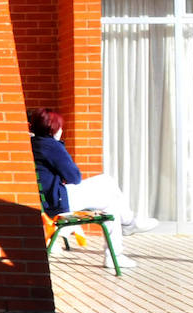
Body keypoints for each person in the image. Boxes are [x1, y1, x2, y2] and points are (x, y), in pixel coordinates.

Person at [28, 108, 157, 270]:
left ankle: (122, 238)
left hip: (47, 200)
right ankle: (127, 229)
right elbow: (75, 177)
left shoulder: (32, 145)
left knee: (110, 199)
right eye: (60, 126)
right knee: (108, 187)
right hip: (58, 201)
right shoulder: (51, 146)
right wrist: (58, 143)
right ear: (53, 127)